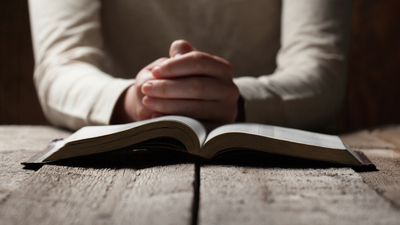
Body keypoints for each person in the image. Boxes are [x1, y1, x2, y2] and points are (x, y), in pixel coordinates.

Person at [28, 0, 352, 131]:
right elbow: (61, 65)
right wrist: (135, 100)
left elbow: (320, 69)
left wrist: (240, 101)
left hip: (266, 154)